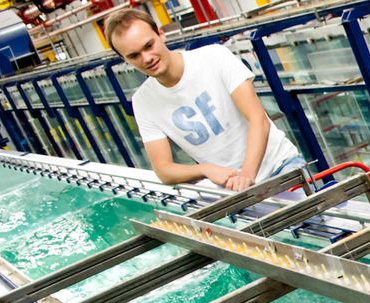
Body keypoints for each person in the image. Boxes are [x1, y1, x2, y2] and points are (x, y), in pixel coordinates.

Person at [104, 9, 306, 191]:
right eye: (134, 55)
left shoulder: (214, 57)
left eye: (149, 45)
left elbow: (258, 120)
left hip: (281, 168)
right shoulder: (143, 102)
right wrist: (205, 169)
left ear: (161, 34)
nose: (147, 58)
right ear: (125, 60)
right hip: (231, 188)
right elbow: (164, 170)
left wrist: (247, 176)